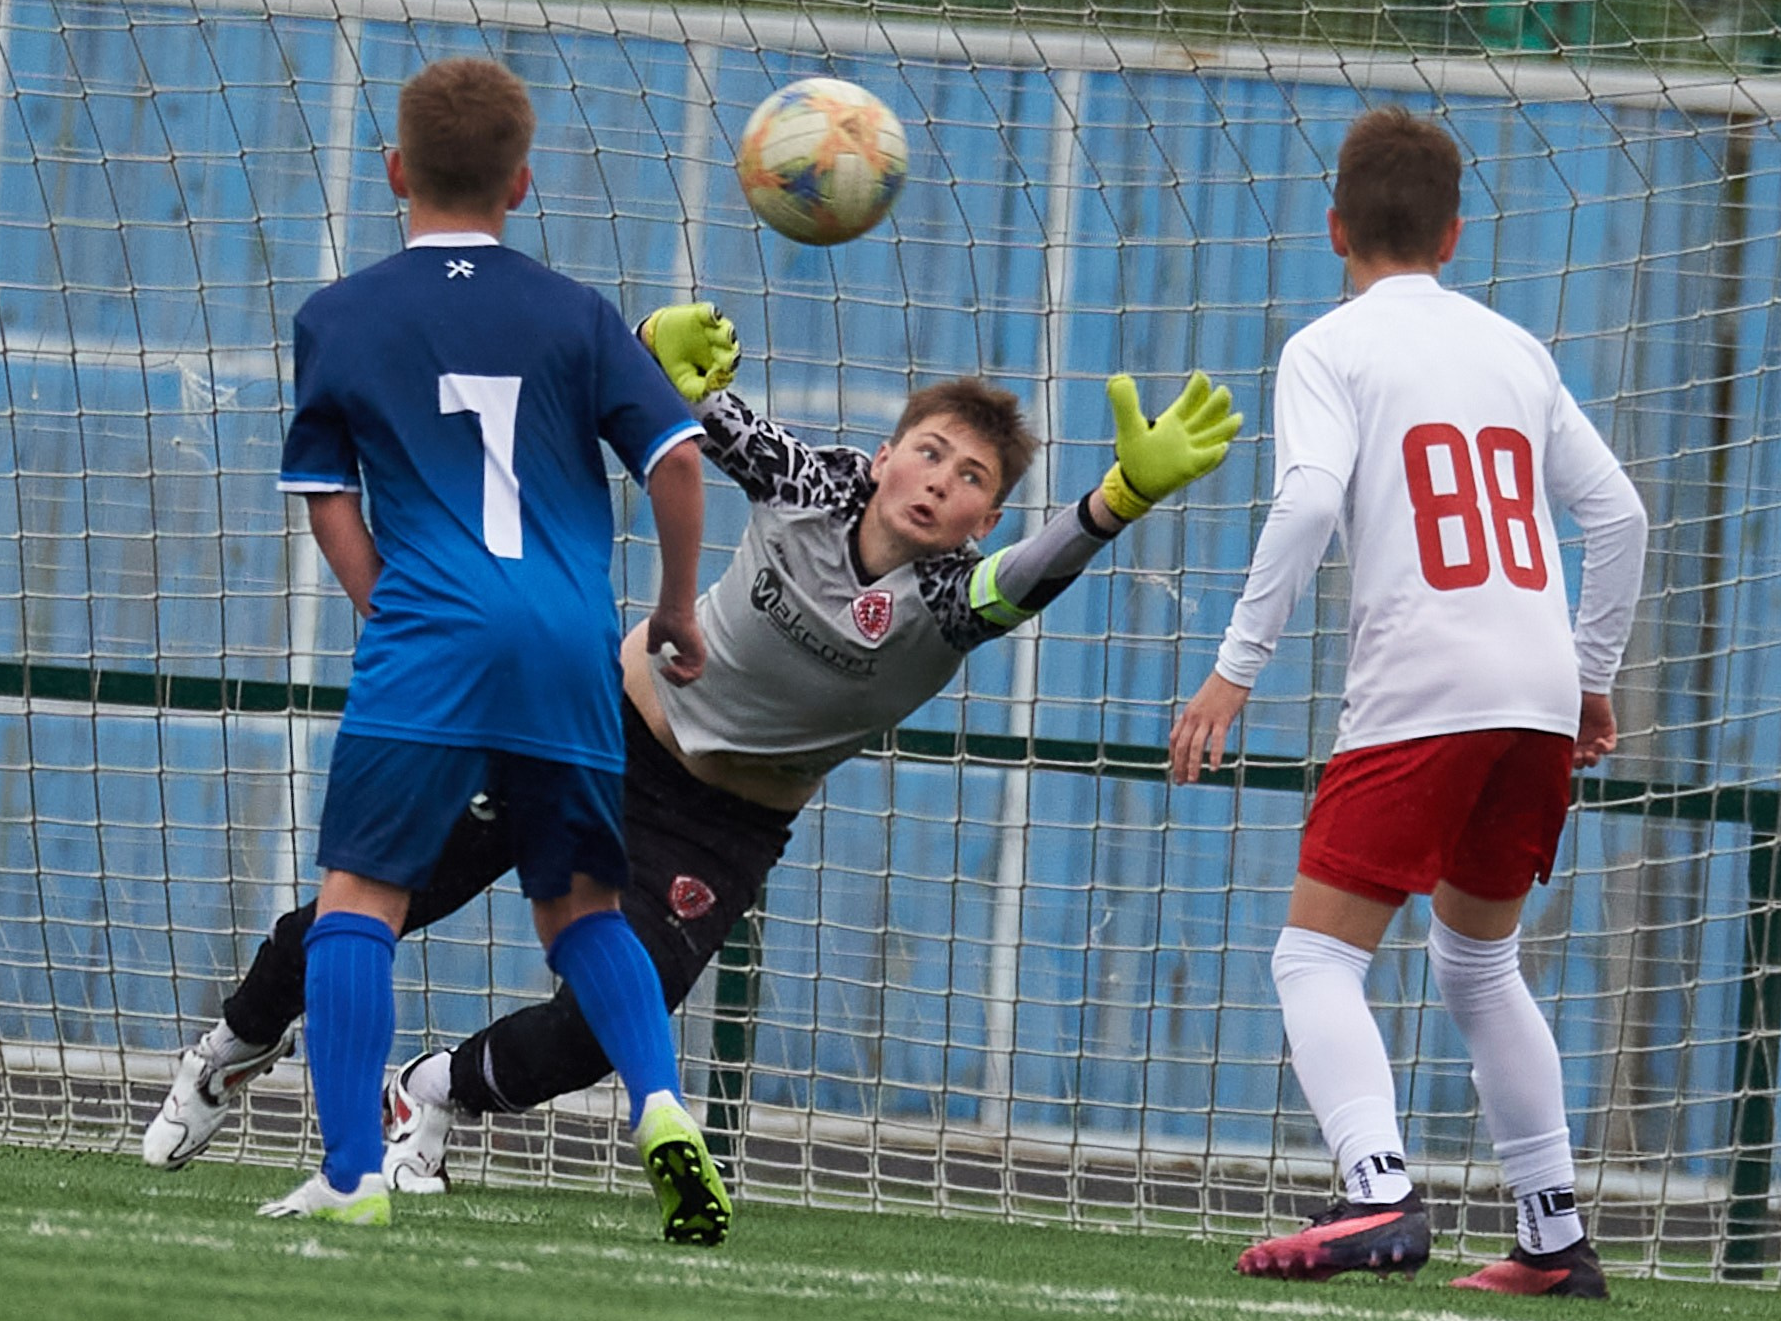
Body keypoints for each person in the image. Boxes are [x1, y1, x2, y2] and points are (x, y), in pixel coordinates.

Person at [143, 306, 1241, 1196]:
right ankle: (235, 1042)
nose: (941, 478)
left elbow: (1033, 571)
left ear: (978, 519)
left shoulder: (955, 598)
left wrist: (1115, 499)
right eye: (929, 450)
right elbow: (695, 415)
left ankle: (432, 1090)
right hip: (590, 732)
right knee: (377, 900)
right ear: (890, 451)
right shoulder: (811, 481)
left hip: (720, 819)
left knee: (608, 1025)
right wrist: (657, 360)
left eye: (971, 481)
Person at [1167, 106, 1648, 1298]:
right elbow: (1623, 517)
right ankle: (1552, 1236)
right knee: (1482, 968)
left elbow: (1308, 501)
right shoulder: (1513, 348)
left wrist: (1236, 663)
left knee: (1312, 957)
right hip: (1533, 686)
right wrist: (1587, 675)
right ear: (1453, 237)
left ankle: (1375, 1190)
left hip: (1423, 688)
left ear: (1335, 225)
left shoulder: (1329, 347)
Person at [247, 57, 720, 1239]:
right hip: (566, 640)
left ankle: (354, 1169)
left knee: (358, 898)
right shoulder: (575, 311)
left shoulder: (339, 315)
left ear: (396, 168)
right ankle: (661, 1104)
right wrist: (673, 609)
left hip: (431, 634)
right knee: (583, 908)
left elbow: (326, 497)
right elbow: (674, 457)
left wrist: (385, 607)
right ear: (521, 182)